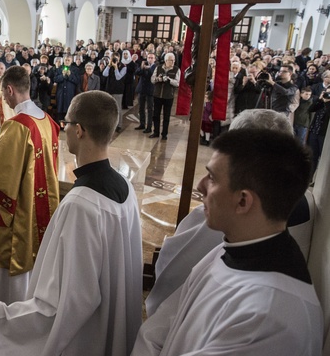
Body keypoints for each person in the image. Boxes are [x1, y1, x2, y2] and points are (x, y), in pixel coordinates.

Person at [0, 90, 143, 356]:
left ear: (79, 130)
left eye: (66, 123)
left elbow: (67, 303)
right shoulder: (125, 188)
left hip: (86, 339)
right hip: (113, 324)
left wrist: (1, 321)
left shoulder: (80, 205)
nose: (63, 129)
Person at [133, 128, 322, 355]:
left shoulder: (271, 315)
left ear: (243, 201)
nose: (201, 186)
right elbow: (159, 327)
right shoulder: (231, 248)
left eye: (212, 178)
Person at [146, 108, 316, 316]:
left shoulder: (224, 213)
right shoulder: (302, 200)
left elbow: (171, 274)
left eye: (214, 177)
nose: (201, 186)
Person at [0, 66, 60, 304]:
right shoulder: (48, 121)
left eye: (4, 93)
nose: (3, 98)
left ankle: (8, 315)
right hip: (44, 207)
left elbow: (1, 175)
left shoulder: (17, 125)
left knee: (15, 264)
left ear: (10, 89)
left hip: (22, 210)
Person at [150, 52, 180, 140]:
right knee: (156, 115)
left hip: (168, 96)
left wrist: (169, 80)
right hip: (157, 95)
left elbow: (177, 83)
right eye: (171, 60)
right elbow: (152, 79)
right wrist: (158, 79)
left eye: (174, 60)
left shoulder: (176, 69)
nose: (173, 62)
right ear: (166, 60)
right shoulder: (159, 67)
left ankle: (164, 134)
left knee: (166, 116)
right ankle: (156, 132)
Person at [54, 55, 80, 122]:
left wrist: (70, 75)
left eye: (68, 60)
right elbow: (55, 79)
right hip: (61, 92)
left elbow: (77, 81)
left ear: (71, 61)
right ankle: (60, 125)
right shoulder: (59, 68)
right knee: (60, 108)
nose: (67, 61)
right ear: (63, 60)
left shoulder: (75, 69)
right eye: (66, 60)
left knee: (68, 109)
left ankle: (67, 124)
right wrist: (62, 76)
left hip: (70, 92)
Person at [135, 53, 157, 132]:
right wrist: (142, 67)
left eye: (152, 58)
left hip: (150, 90)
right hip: (141, 89)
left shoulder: (155, 67)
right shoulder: (143, 65)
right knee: (141, 108)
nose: (150, 59)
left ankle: (149, 126)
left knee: (150, 109)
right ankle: (142, 124)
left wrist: (147, 68)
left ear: (154, 59)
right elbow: (137, 72)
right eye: (149, 57)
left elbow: (151, 75)